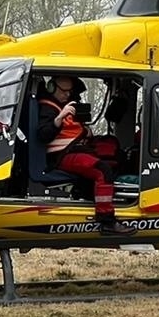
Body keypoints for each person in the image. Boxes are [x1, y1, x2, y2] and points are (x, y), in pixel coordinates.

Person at [35, 75, 133, 235]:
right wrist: (59, 118)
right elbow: (43, 135)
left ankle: (93, 195)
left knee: (115, 155)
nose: (68, 95)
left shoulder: (65, 105)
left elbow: (73, 130)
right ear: (52, 88)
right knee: (102, 170)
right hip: (62, 156)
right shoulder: (48, 108)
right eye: (64, 91)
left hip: (76, 150)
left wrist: (85, 131)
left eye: (70, 92)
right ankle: (107, 221)